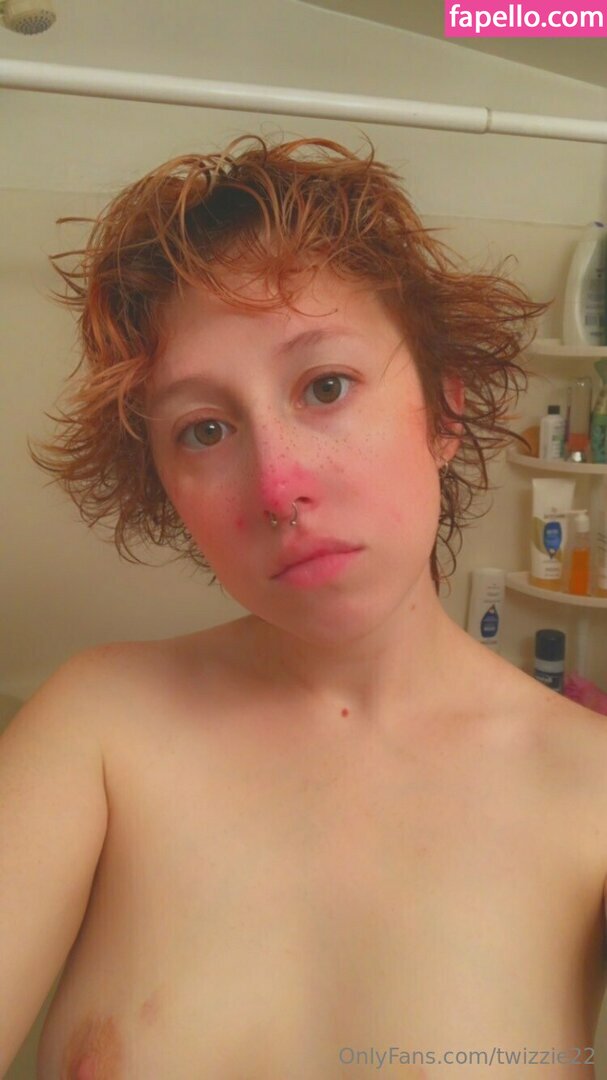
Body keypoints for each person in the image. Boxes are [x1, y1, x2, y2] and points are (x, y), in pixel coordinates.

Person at [2, 133, 606, 1079]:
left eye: (326, 386)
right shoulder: (95, 731)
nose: (277, 486)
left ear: (444, 412)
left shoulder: (590, 791)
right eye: (204, 429)